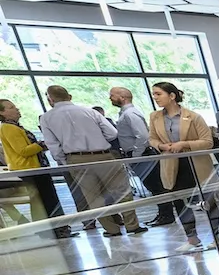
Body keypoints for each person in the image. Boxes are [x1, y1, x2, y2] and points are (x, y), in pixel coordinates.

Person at [37, 85, 147, 238]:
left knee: (93, 197)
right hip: (104, 155)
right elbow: (112, 133)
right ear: (69, 96)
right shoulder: (89, 111)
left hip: (75, 159)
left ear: (50, 99)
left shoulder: (47, 118)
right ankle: (132, 226)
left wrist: (64, 160)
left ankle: (112, 229)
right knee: (122, 191)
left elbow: (52, 144)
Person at [148, 82, 219, 253]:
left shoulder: (193, 117)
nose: (155, 97)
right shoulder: (155, 117)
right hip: (171, 164)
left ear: (172, 96)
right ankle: (192, 238)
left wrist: (184, 144)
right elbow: (152, 138)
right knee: (180, 201)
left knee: (208, 201)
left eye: (158, 94)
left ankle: (216, 237)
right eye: (154, 94)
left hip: (195, 163)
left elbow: (207, 141)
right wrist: (161, 146)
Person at [0, 99, 76, 238]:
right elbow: (22, 150)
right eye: (11, 107)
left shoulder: (15, 126)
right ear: (2, 113)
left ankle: (54, 229)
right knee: (45, 200)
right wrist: (42, 144)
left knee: (45, 200)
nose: (16, 109)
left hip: (34, 167)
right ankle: (52, 230)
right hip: (30, 169)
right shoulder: (8, 128)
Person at [109, 86, 172, 227]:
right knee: (153, 187)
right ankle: (163, 214)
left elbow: (143, 136)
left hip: (142, 155)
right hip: (138, 154)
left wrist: (136, 154)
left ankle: (167, 215)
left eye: (112, 95)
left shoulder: (130, 114)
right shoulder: (126, 113)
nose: (110, 98)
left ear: (122, 97)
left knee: (156, 187)